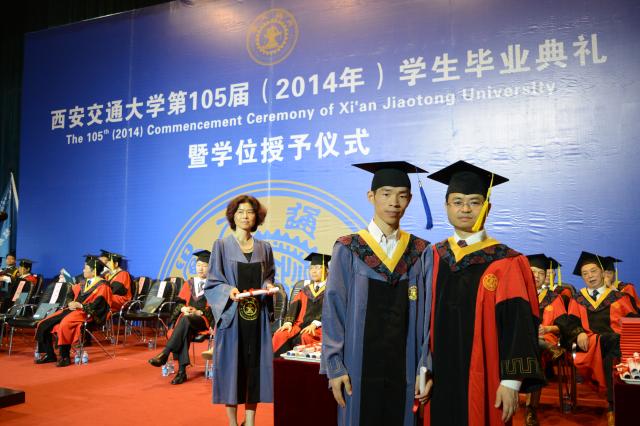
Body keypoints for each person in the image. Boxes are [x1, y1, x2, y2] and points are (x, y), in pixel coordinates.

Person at [426, 160, 544, 426]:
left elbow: (520, 325)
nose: (465, 209)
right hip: (439, 376)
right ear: (446, 206)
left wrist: (511, 381)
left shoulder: (506, 261)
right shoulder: (433, 256)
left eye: (474, 202)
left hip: (487, 377)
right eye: (457, 202)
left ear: (487, 208)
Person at [320, 161, 433, 426]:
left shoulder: (420, 252)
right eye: (386, 194)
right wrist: (335, 366)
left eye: (402, 195)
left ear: (409, 200)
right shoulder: (349, 248)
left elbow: (429, 316)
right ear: (371, 196)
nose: (394, 202)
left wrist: (425, 366)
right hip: (357, 369)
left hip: (405, 370)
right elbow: (333, 310)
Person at [204, 194, 276, 426]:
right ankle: (233, 423)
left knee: (254, 370)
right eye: (240, 212)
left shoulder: (265, 248)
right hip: (232, 319)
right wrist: (228, 290)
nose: (245, 216)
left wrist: (268, 286)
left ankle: (250, 421)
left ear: (257, 217)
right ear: (233, 216)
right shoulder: (222, 246)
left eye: (250, 212)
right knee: (232, 371)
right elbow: (213, 282)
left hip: (257, 319)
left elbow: (269, 276)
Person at [566, 251, 638, 426]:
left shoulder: (619, 297)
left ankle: (612, 406)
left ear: (602, 272)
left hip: (614, 344)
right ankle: (613, 406)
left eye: (593, 271)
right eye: (585, 273)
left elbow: (633, 320)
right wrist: (578, 332)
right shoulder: (577, 299)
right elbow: (569, 322)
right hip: (587, 343)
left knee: (614, 349)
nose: (590, 276)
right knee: (613, 344)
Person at [149, 249, 214, 384]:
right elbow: (179, 302)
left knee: (185, 320)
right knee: (185, 329)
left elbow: (216, 307)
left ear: (210, 267)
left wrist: (199, 312)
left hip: (202, 320)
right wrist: (183, 308)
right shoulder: (189, 283)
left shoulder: (214, 284)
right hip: (187, 320)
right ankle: (181, 372)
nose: (200, 268)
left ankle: (165, 353)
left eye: (204, 266)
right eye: (198, 265)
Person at [34, 256, 112, 367]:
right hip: (73, 310)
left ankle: (65, 357)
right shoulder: (83, 283)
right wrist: (70, 302)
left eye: (85, 268)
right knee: (43, 323)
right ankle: (49, 354)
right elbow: (70, 293)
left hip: (87, 313)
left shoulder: (103, 286)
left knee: (64, 324)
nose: (83, 270)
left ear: (94, 271)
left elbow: (100, 305)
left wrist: (80, 305)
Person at [524, 254, 568, 426]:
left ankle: (531, 409)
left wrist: (548, 328)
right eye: (532, 271)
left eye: (541, 273)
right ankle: (548, 347)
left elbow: (563, 326)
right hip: (520, 337)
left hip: (544, 337)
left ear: (546, 277)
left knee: (534, 351)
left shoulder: (554, 298)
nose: (536, 276)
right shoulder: (517, 293)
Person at [273, 252, 330, 356]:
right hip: (300, 324)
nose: (313, 271)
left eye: (318, 268)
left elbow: (331, 312)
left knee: (306, 336)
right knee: (280, 335)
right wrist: (288, 322)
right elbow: (294, 306)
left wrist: (315, 324)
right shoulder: (305, 290)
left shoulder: (332, 290)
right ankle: (277, 364)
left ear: (327, 270)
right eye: (311, 268)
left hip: (322, 327)